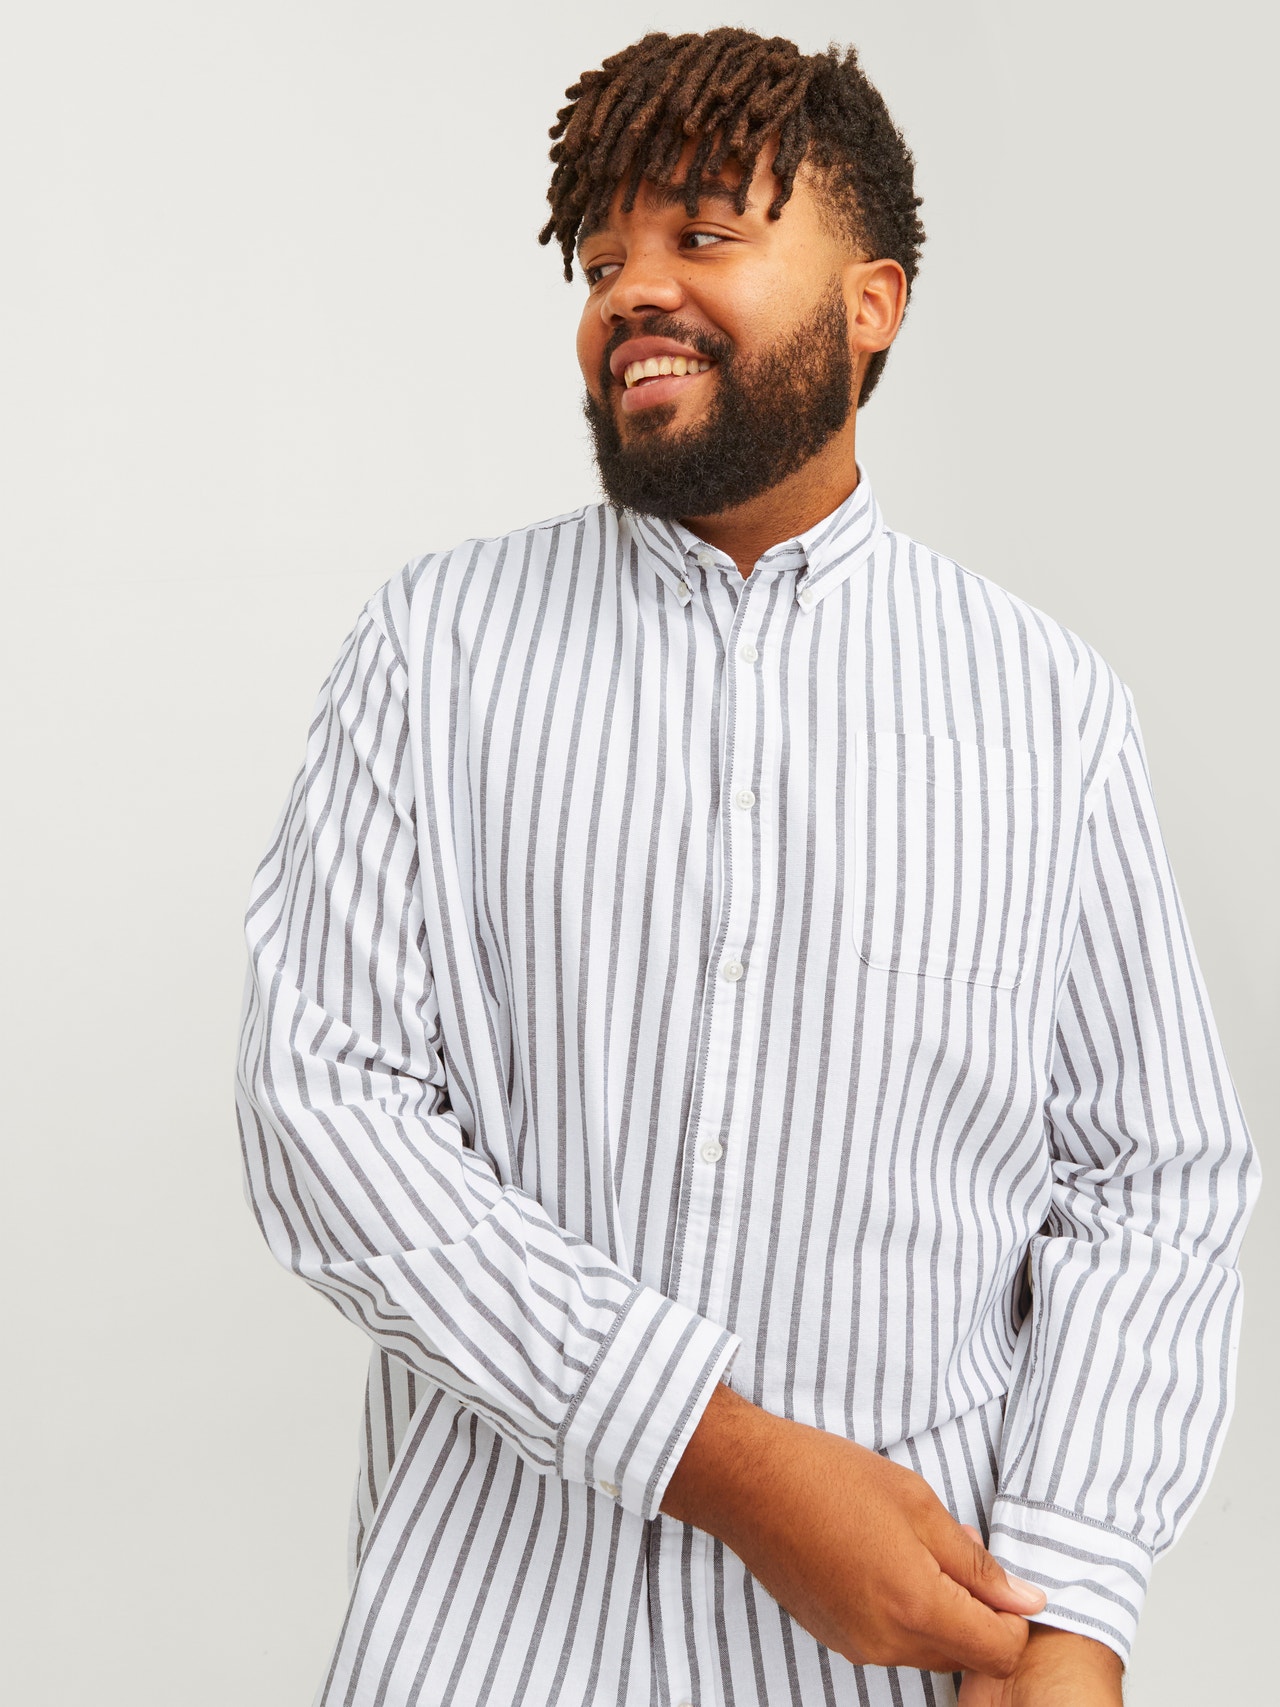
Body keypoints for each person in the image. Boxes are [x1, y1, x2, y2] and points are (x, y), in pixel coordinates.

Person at [235, 27, 1259, 1707]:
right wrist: (727, 1461)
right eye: (600, 261)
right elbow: (323, 1111)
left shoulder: (1048, 708)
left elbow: (1153, 1183)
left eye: (703, 234)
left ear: (873, 303)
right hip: (487, 1636)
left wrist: (1072, 1613)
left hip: (915, 1653)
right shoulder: (435, 651)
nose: (630, 291)